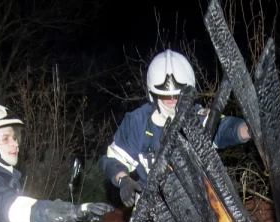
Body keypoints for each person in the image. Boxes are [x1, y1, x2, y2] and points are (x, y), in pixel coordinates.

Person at [103, 50, 251, 207]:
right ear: (153, 93)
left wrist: (247, 129)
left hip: (195, 208)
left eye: (177, 95)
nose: (172, 100)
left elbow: (222, 129)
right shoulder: (137, 123)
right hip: (151, 212)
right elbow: (113, 158)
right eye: (166, 96)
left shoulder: (195, 119)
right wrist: (123, 179)